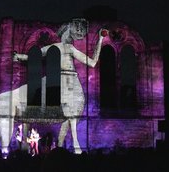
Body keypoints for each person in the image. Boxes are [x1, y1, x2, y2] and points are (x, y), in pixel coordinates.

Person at [13, 18, 107, 154]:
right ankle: (68, 147)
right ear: (65, 32)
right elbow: (34, 56)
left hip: (72, 81)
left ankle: (63, 146)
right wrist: (19, 56)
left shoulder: (70, 48)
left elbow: (92, 63)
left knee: (73, 114)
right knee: (66, 114)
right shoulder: (55, 47)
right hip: (61, 81)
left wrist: (100, 40)